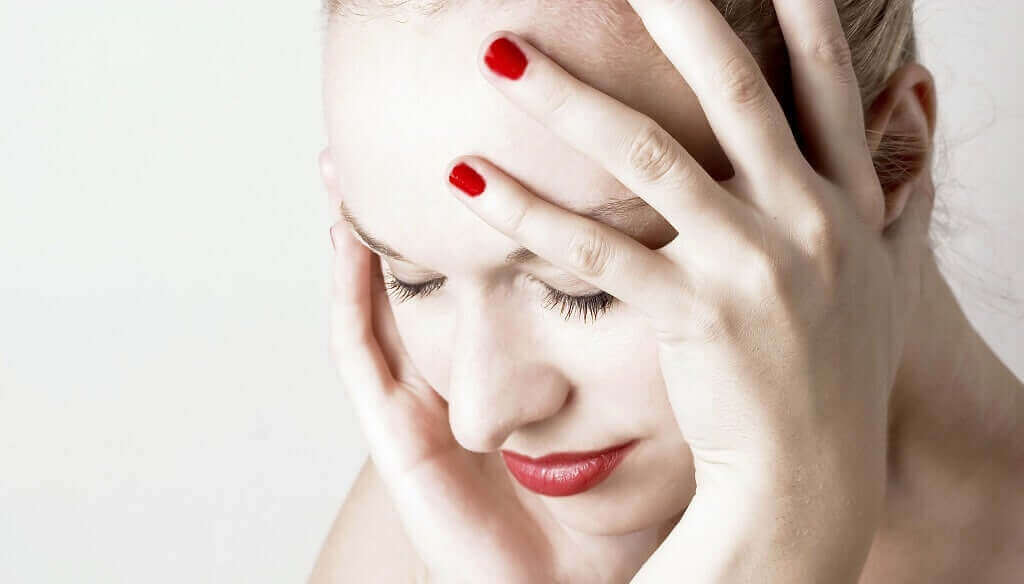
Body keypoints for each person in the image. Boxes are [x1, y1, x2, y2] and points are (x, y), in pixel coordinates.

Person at [310, 0, 1024, 582]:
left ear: (890, 160)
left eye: (585, 287)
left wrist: (781, 540)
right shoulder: (458, 504)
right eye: (414, 279)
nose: (479, 415)